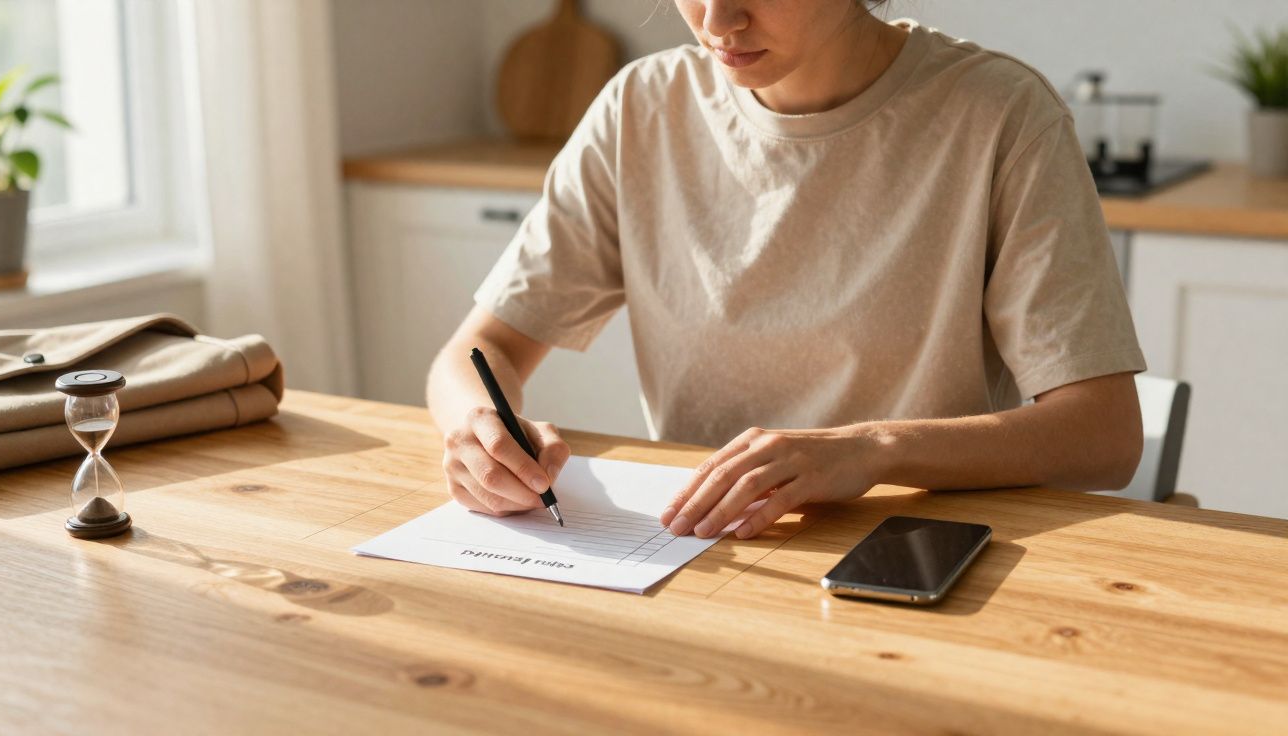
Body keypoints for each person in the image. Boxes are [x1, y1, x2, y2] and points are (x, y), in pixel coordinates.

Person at [426, 0, 1146, 541]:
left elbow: (1102, 437)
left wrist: (872, 449)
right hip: (700, 551)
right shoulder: (640, 108)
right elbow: (478, 353)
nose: (717, 19)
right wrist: (479, 428)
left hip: (910, 552)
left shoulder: (1001, 115)